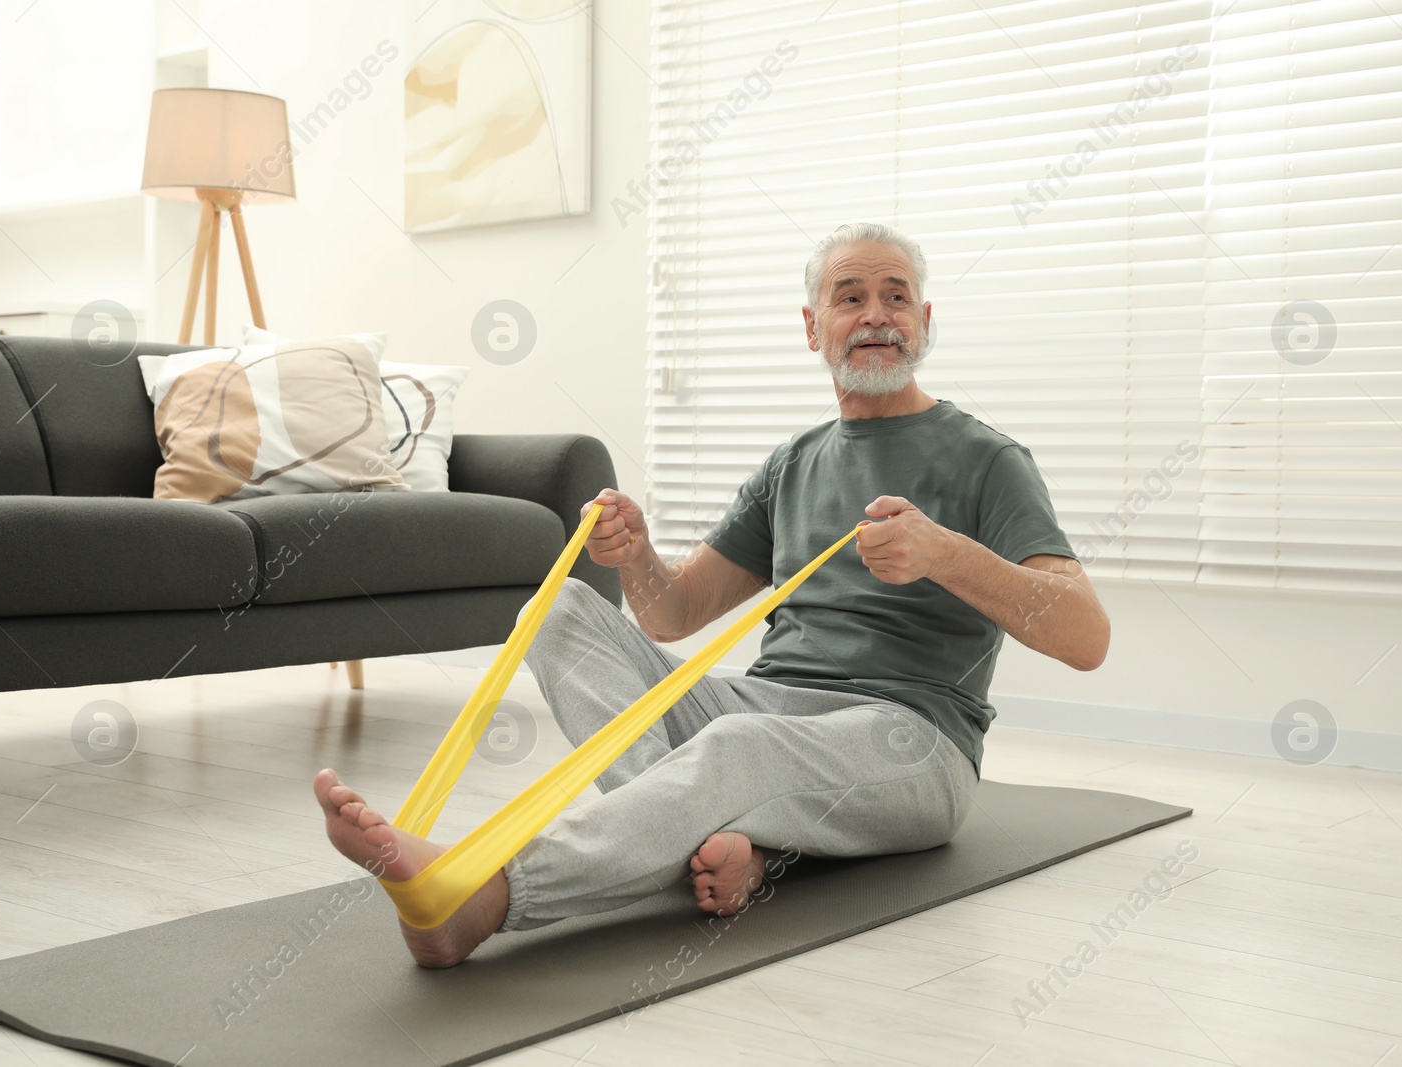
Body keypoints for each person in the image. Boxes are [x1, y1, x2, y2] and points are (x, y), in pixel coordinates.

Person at [316, 222, 1110, 967]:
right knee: (552, 615)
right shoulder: (792, 462)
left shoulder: (988, 459)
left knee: (731, 751)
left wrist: (945, 552)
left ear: (925, 322)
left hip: (910, 738)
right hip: (761, 704)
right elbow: (673, 612)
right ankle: (713, 845)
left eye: (897, 295)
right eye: (851, 296)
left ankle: (481, 894)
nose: (877, 314)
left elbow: (1086, 639)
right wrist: (636, 556)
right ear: (812, 328)